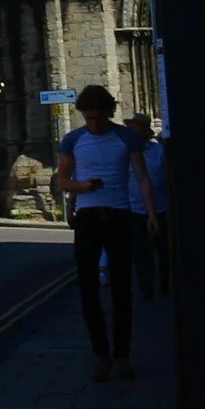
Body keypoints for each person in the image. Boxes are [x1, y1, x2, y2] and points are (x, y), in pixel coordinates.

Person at [57, 85, 156, 381]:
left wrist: (151, 214)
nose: (94, 124)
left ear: (110, 113)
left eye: (99, 118)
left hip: (120, 214)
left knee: (122, 288)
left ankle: (122, 356)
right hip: (88, 217)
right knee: (88, 289)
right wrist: (82, 187)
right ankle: (101, 355)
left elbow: (141, 176)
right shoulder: (73, 140)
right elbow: (62, 180)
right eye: (88, 118)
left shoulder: (126, 137)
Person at [127, 115, 170, 301]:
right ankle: (147, 290)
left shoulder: (158, 150)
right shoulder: (124, 152)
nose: (131, 132)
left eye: (134, 128)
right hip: (135, 211)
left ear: (145, 131)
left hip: (162, 209)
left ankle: (165, 285)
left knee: (164, 252)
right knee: (141, 253)